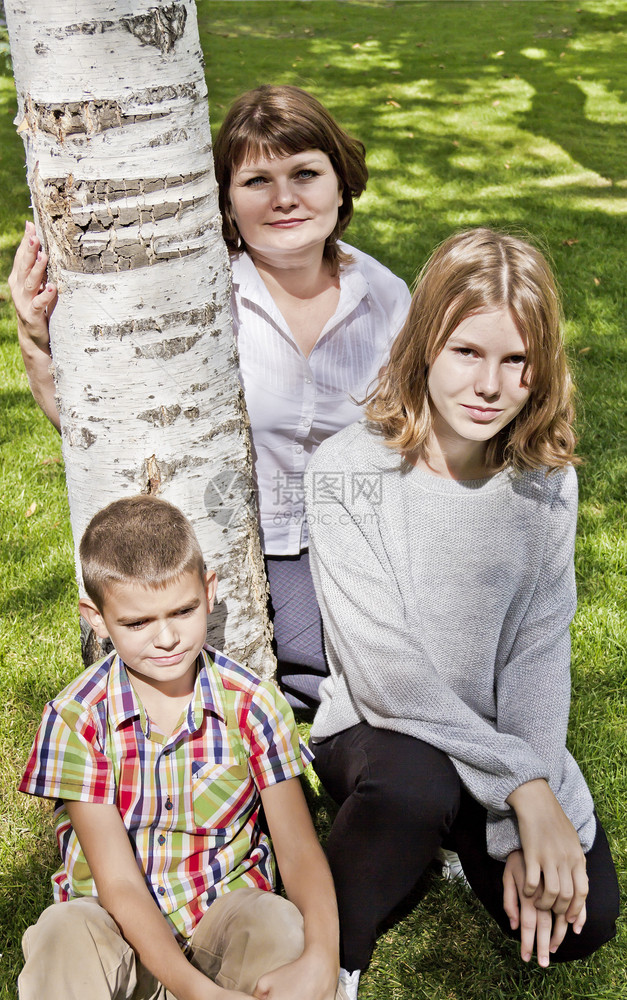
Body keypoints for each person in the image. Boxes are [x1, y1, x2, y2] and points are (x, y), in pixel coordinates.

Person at [8, 85, 411, 710]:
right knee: (335, 667)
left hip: (362, 540)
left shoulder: (386, 296)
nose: (284, 199)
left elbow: (420, 439)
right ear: (226, 198)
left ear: (341, 184)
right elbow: (104, 427)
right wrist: (36, 339)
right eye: (257, 181)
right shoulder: (200, 295)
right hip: (241, 545)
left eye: (305, 173)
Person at [303, 229, 620, 998]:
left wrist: (523, 816)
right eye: (466, 353)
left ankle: (457, 836)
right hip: (378, 728)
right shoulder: (348, 470)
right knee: (416, 788)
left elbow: (537, 648)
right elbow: (385, 672)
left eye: (515, 361)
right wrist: (525, 788)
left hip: (491, 739)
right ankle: (325, 960)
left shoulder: (544, 482)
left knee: (587, 921)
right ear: (423, 348)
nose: (489, 384)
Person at [18, 494, 349, 1000]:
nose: (167, 637)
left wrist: (323, 959)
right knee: (62, 934)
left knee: (278, 925)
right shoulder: (77, 720)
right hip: (115, 936)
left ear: (209, 591)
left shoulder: (253, 704)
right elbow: (120, 887)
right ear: (97, 619)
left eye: (183, 610)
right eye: (137, 623)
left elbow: (300, 851)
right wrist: (199, 993)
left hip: (218, 926)